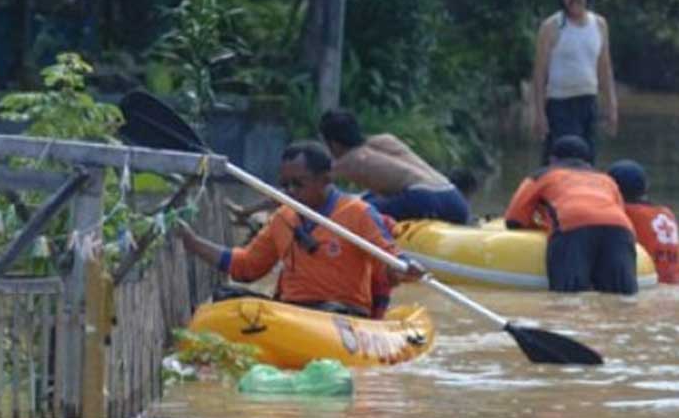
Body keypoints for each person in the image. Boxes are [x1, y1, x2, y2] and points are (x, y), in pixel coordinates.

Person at [177, 140, 424, 317]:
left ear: (325, 179)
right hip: (291, 312)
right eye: (285, 185)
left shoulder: (358, 213)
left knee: (328, 312)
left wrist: (405, 269)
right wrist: (193, 243)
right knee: (225, 297)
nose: (290, 192)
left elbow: (390, 257)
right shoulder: (283, 218)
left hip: (340, 314)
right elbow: (247, 268)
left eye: (298, 184)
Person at [504, 135, 637, 294]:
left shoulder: (541, 176)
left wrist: (543, 227)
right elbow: (619, 212)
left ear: (552, 160)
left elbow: (514, 220)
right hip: (620, 230)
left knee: (569, 299)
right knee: (621, 300)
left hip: (572, 227)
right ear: (588, 163)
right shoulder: (607, 180)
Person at [532, 0, 618, 165]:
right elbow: (539, 73)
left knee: (588, 162)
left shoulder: (599, 24)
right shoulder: (551, 27)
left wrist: (611, 107)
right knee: (560, 163)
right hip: (560, 105)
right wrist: (539, 114)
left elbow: (604, 68)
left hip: (588, 103)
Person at [318, 109, 470, 224]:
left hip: (424, 200)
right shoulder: (385, 140)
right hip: (454, 197)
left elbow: (312, 178)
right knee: (368, 197)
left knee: (349, 210)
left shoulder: (351, 160)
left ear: (333, 144)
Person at [608, 159, 679, 284]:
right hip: (676, 281)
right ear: (645, 187)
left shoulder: (623, 213)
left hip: (649, 284)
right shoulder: (667, 213)